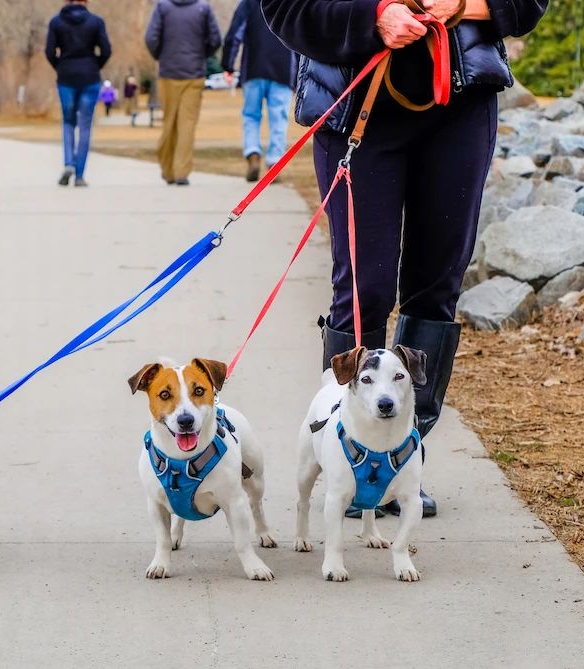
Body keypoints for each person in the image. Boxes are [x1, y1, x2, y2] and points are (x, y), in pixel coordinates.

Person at [261, 0, 547, 517]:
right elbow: (285, 9)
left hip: (460, 105)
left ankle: (400, 463)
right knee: (363, 289)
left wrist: (468, 4)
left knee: (436, 286)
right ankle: (347, 459)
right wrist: (373, 17)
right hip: (356, 104)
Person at [144, 0, 222, 186]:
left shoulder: (162, 7)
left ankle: (167, 169)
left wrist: (161, 56)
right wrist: (201, 55)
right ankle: (181, 172)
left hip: (168, 73)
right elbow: (215, 40)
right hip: (194, 74)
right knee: (187, 125)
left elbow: (151, 38)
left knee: (169, 121)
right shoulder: (203, 7)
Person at [221, 0, 295, 182]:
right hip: (282, 69)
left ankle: (253, 153)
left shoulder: (249, 3)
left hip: (253, 68)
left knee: (251, 116)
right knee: (279, 118)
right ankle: (274, 162)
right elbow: (299, 35)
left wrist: (228, 65)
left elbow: (235, 34)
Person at [45, 0, 112, 187]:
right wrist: (94, 66)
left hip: (66, 78)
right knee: (85, 126)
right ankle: (80, 174)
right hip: (89, 77)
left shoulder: (56, 22)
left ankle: (69, 163)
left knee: (68, 122)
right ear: (85, 1)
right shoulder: (96, 22)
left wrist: (60, 67)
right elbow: (106, 50)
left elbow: (50, 51)